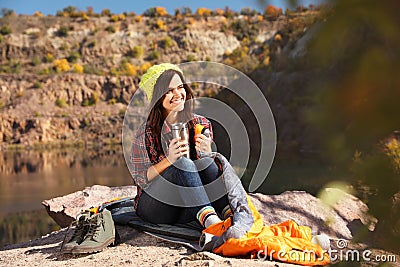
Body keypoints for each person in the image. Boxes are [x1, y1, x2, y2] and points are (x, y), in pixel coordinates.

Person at [130, 63, 232, 229]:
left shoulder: (201, 123)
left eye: (180, 87)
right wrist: (170, 160)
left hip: (189, 206)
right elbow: (141, 178)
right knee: (183, 164)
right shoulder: (146, 133)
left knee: (207, 162)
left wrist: (209, 154)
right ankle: (213, 225)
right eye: (169, 90)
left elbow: (210, 174)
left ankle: (229, 215)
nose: (177, 94)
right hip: (157, 207)